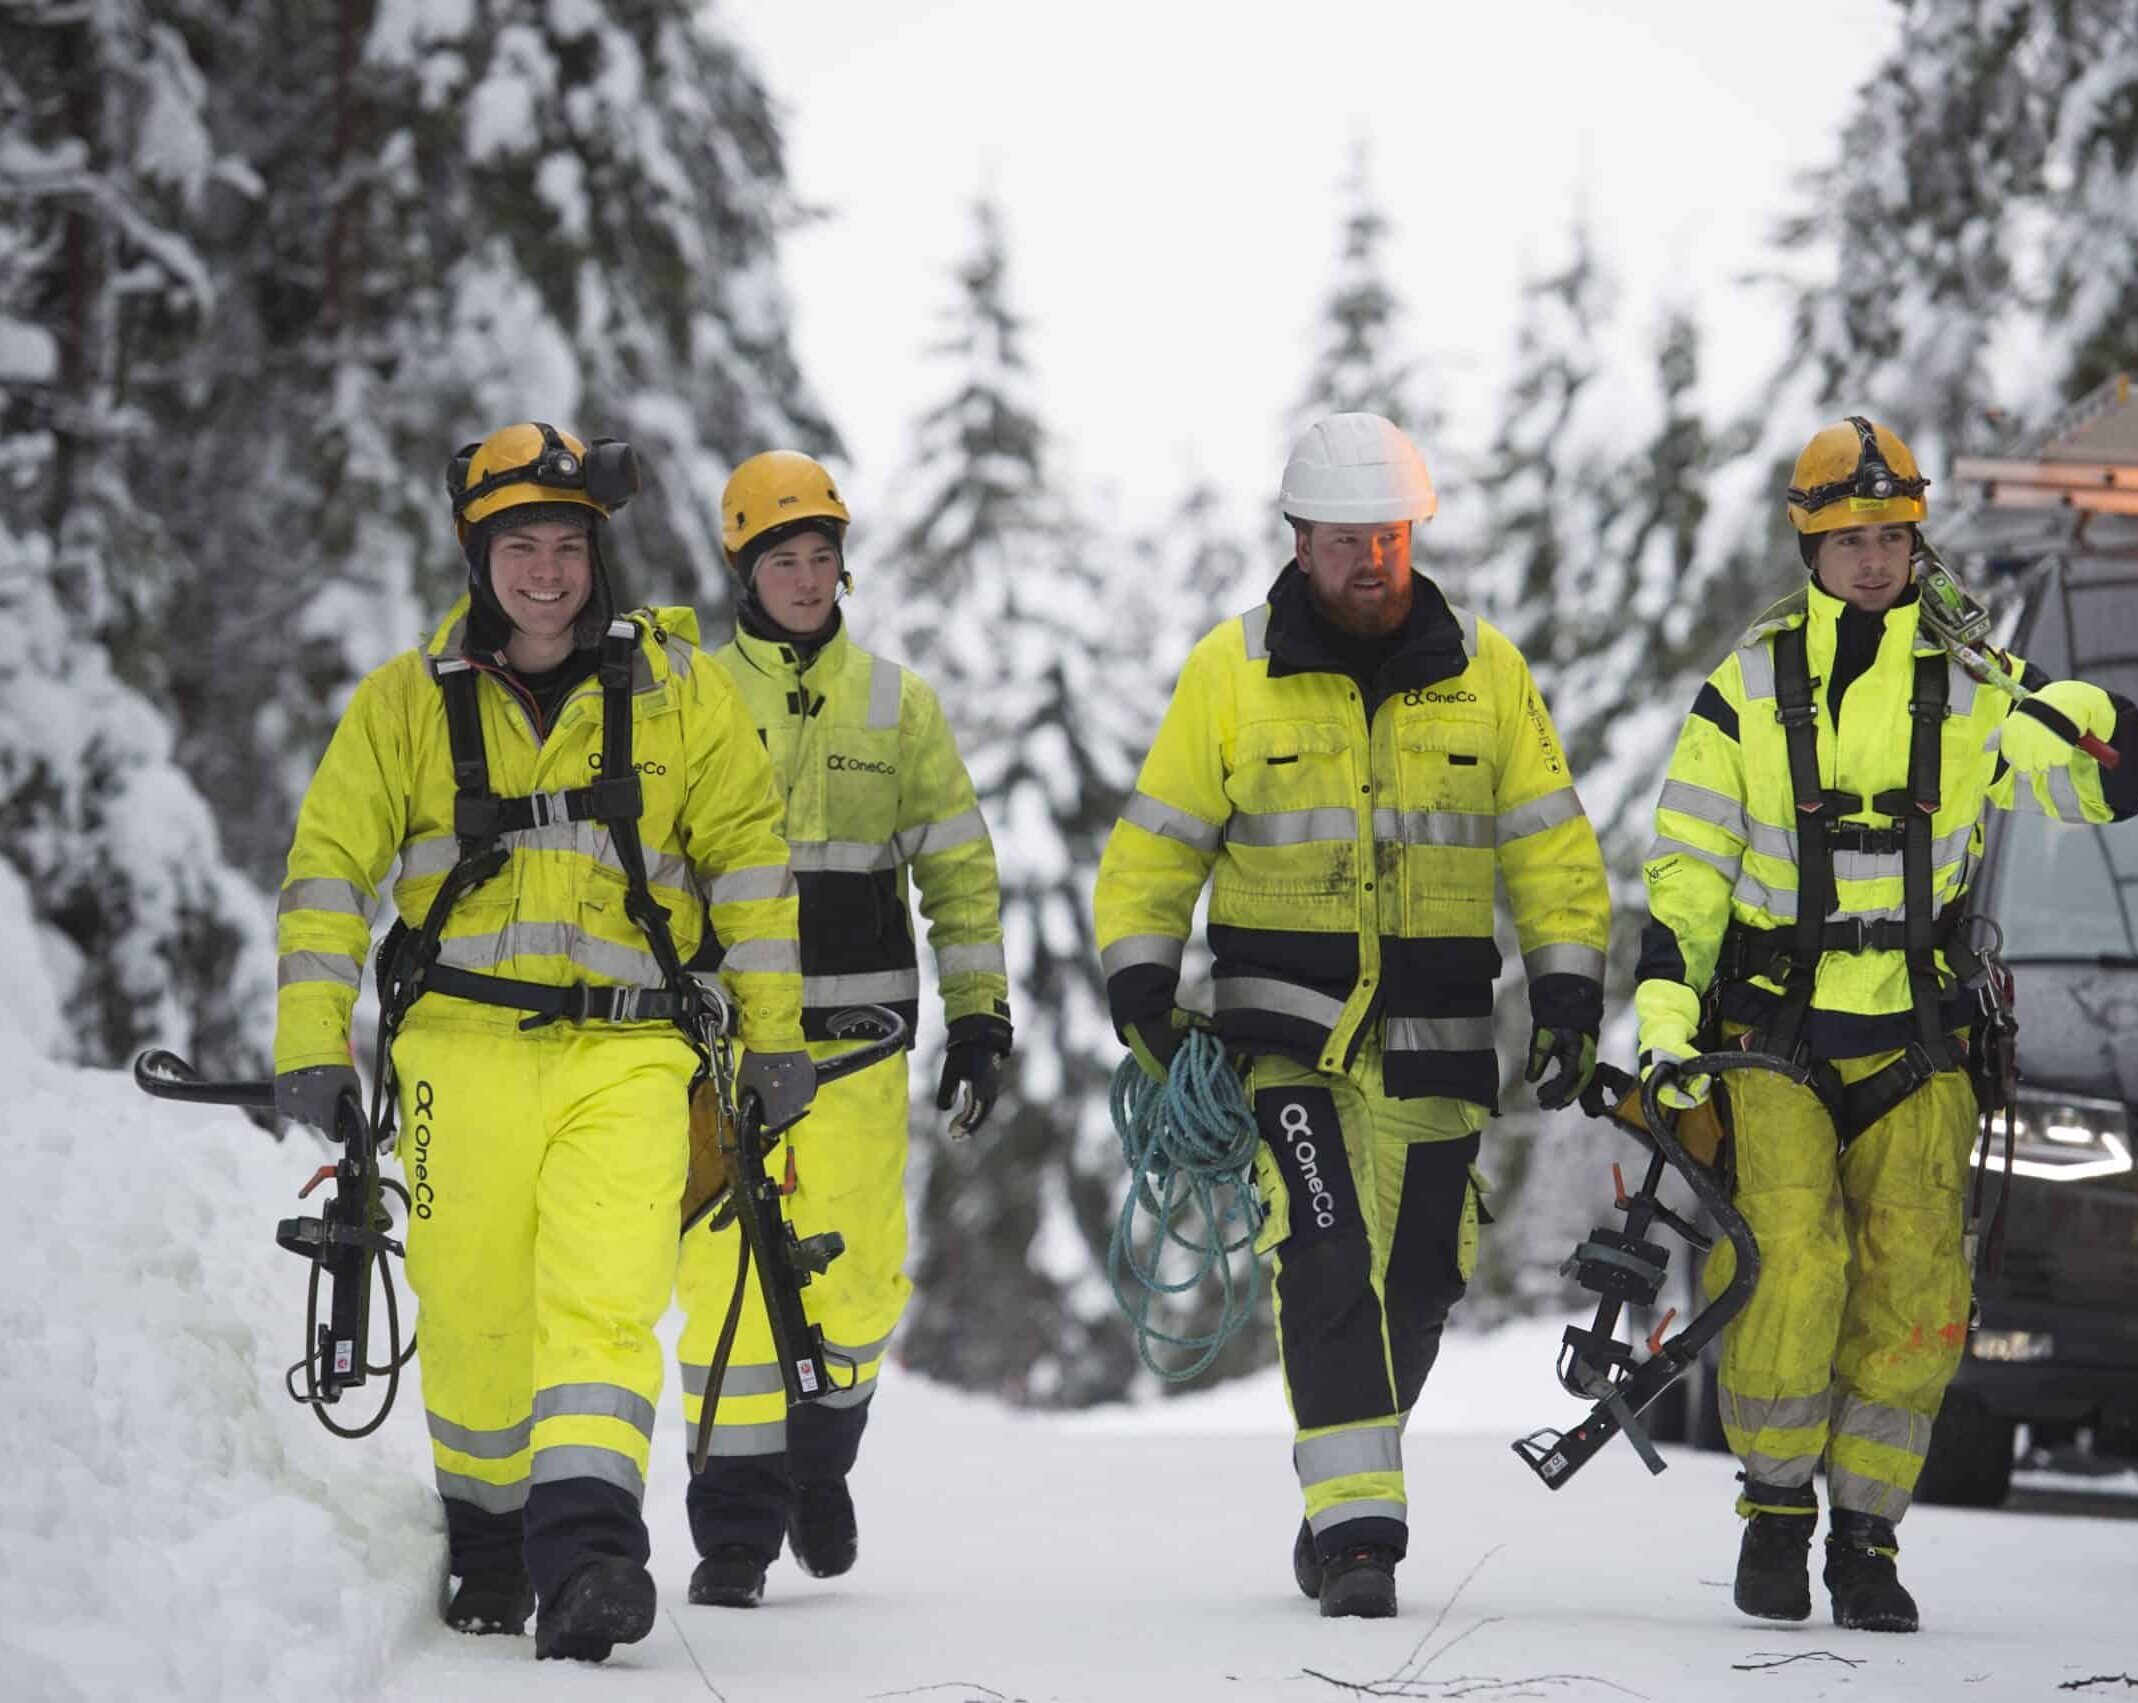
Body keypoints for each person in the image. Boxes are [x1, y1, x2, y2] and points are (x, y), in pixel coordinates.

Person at [271, 422, 815, 1662]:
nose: (548, 572)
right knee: (471, 1312)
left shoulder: (682, 695)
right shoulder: (403, 703)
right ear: (478, 555)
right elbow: (327, 872)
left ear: (596, 553)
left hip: (627, 1055)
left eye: (568, 544)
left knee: (604, 1299)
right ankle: (490, 1537)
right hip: (453, 1057)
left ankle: (591, 1558)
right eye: (520, 545)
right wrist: (313, 1038)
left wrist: (774, 1041)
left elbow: (748, 867)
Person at [1630, 415, 2138, 1633]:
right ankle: (1774, 1515)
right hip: (1768, 1034)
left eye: (1891, 536)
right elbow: (1687, 871)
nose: (1874, 559)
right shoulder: (1743, 690)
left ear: (1914, 540)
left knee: (1918, 1282)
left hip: (1918, 1038)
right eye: (1850, 537)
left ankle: (1865, 1536)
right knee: (1786, 1263)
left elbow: (2085, 780)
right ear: (1807, 542)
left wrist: (2099, 729)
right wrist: (1665, 1022)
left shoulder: (1973, 681)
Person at [1093, 412, 1611, 1620]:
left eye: (1386, 535)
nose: (1367, 559)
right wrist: (1140, 984)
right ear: (1297, 540)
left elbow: (1548, 847)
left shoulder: (1488, 671)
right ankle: (1362, 1533)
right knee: (1322, 1259)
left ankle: (1335, 1482)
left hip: (1435, 1038)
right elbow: (1156, 842)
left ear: (1412, 532)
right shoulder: (1230, 671)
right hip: (1283, 1038)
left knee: (1419, 1284)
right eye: (1342, 539)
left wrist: (1569, 985)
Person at [676, 451, 1012, 1609]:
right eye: (784, 559)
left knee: (857, 1280)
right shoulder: (693, 694)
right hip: (723, 1053)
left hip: (860, 1046)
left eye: (822, 557)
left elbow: (960, 872)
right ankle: (730, 1526)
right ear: (743, 570)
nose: (808, 578)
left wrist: (980, 1017)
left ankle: (820, 1467)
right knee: (726, 1275)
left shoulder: (896, 704)